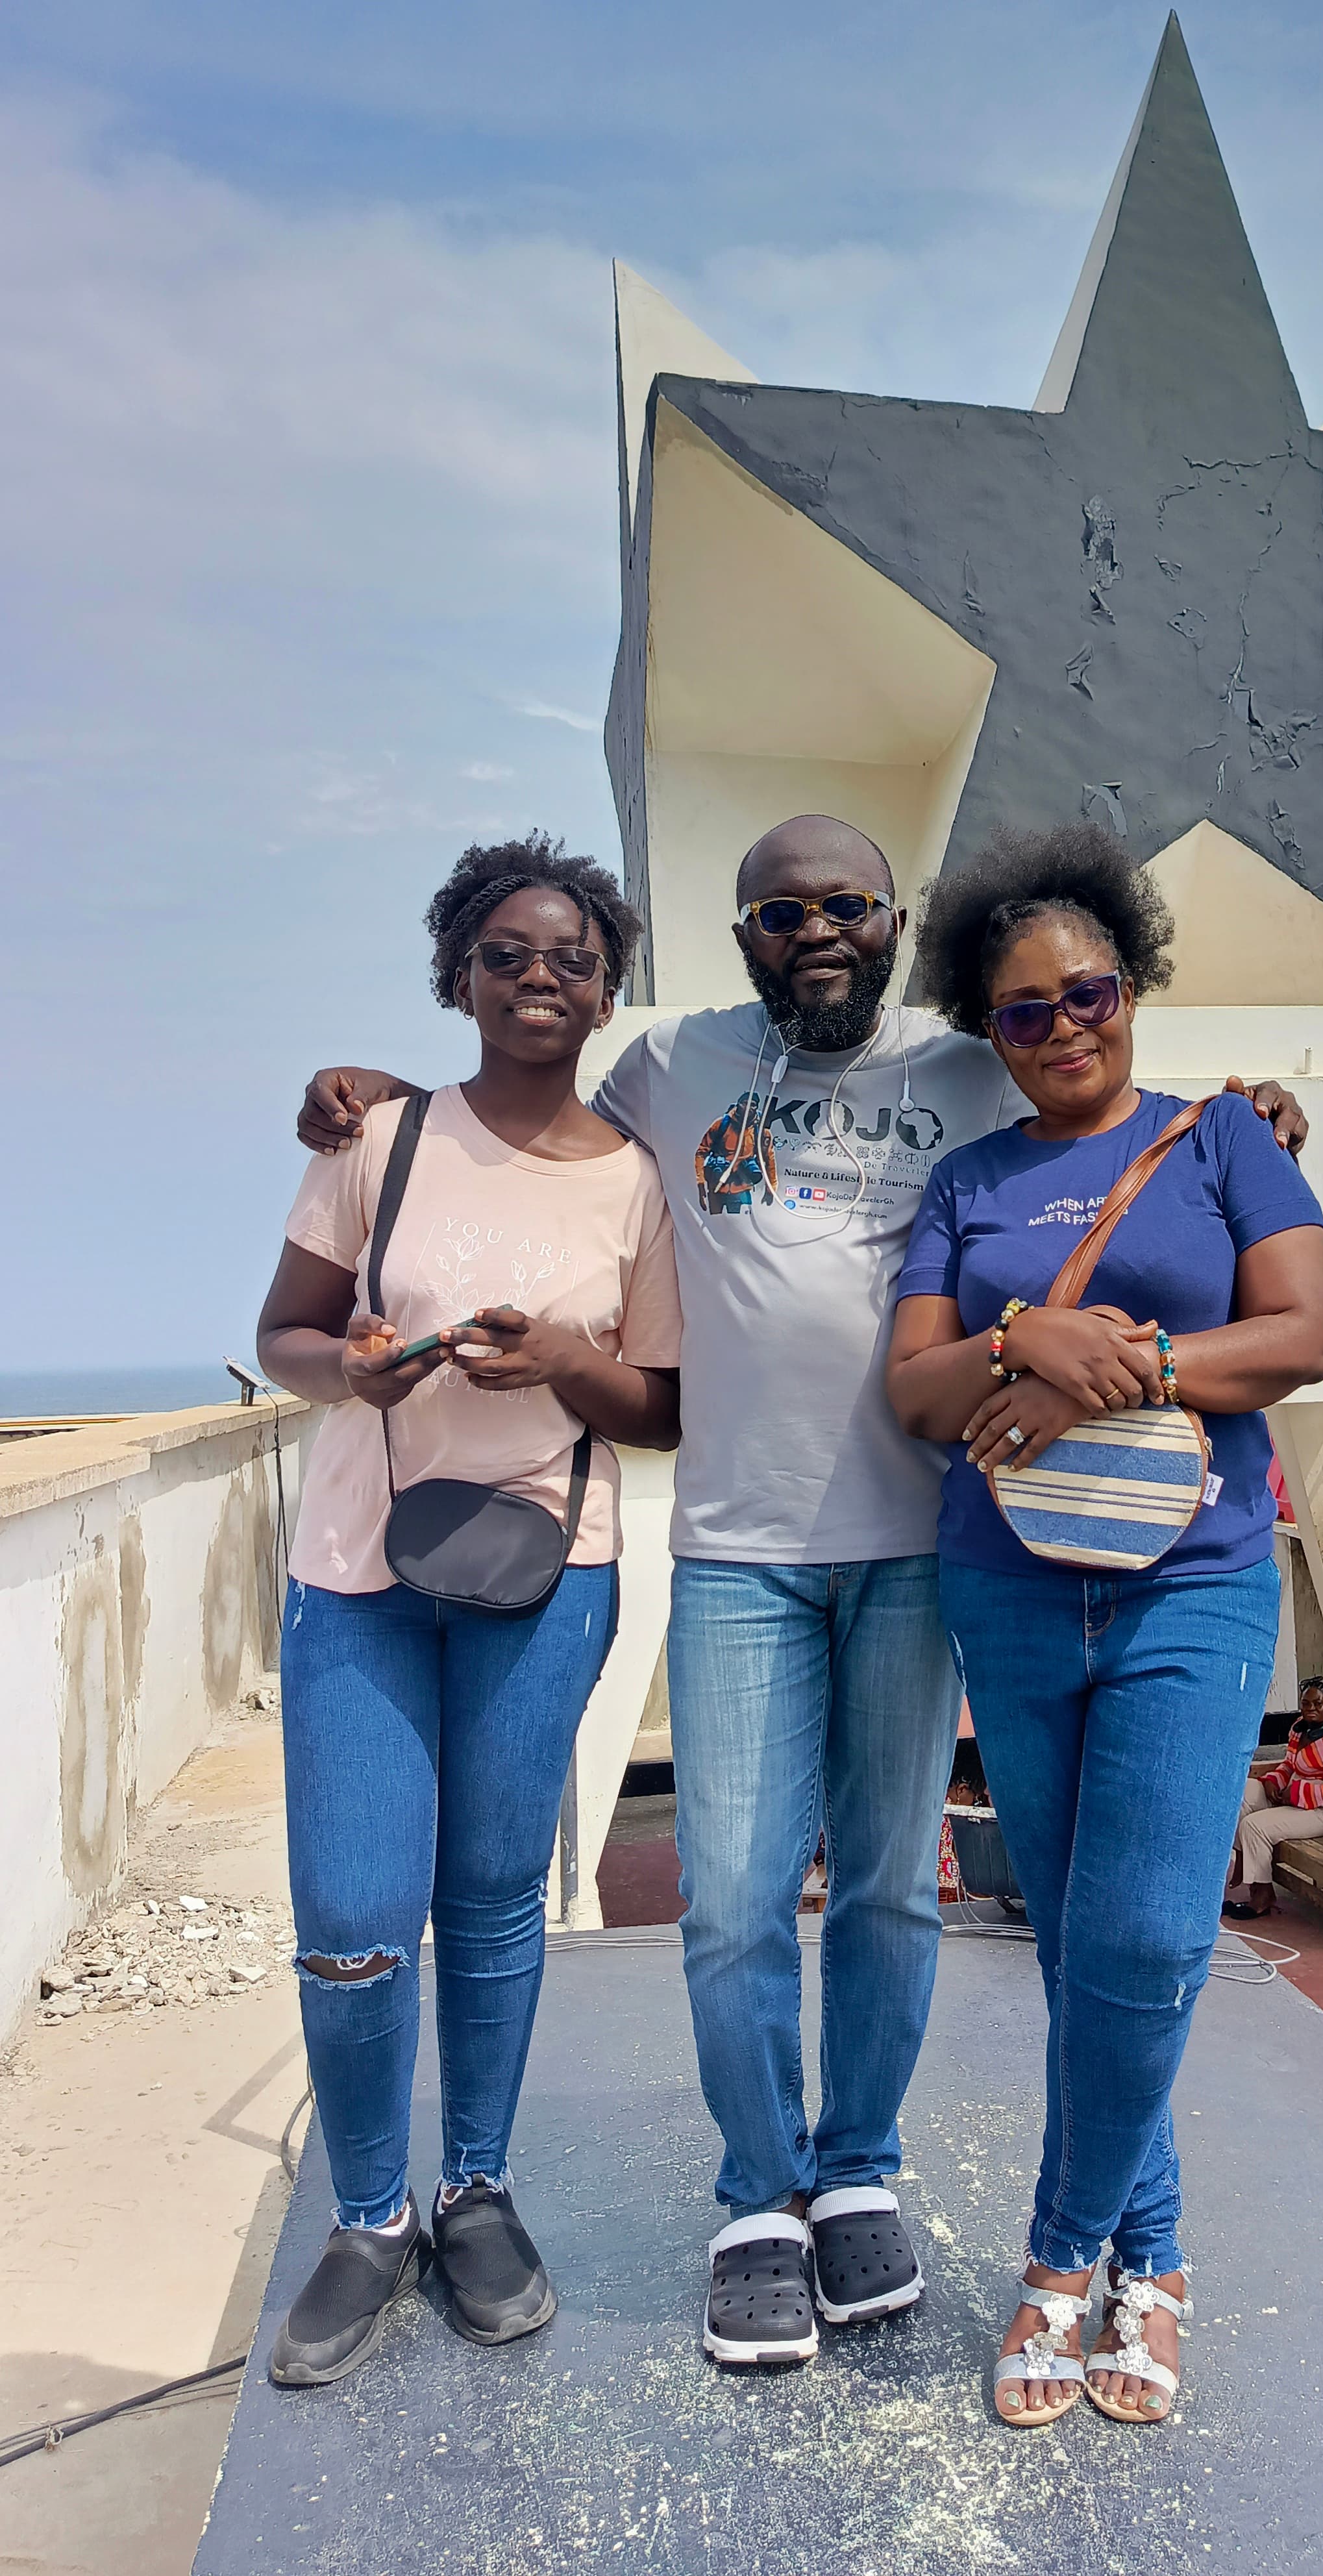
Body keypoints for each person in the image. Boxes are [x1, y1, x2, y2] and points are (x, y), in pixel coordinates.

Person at [293, 811, 1310, 2370]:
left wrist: (1252, 1112)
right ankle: (757, 2195)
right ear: (740, 936)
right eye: (779, 910)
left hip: (919, 1548)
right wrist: (372, 1092)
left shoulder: (970, 1063)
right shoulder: (669, 1066)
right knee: (737, 1898)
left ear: (898, 921)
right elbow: (524, 1102)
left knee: (897, 1890)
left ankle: (858, 2170)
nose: (815, 931)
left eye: (847, 904)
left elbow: (1100, 1107)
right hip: (740, 1550)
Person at [885, 823, 1323, 2428]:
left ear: (1131, 984)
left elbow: (1298, 1333)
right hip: (1010, 1587)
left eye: (1087, 990)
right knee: (1082, 1948)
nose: (1063, 1023)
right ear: (986, 1029)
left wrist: (1126, 1362)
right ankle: (1157, 2253)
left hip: (1192, 1581)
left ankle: (1063, 2253)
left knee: (1146, 1937)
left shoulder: (1225, 1138)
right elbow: (916, 1388)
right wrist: (1024, 1328)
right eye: (1021, 1010)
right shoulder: (968, 1181)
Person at [256, 836, 680, 2387]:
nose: (540, 976)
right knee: (358, 1917)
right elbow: (285, 1331)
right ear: (460, 975)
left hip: (547, 1571)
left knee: (498, 1892)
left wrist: (561, 1361)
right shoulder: (379, 1136)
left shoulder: (635, 1180)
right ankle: (369, 2216)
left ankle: (474, 2188)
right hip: (360, 1567)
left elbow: (667, 1403)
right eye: (506, 952)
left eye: (571, 954)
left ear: (609, 982)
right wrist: (352, 1368)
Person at [1223, 1677, 1323, 1920]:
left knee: (1253, 1826)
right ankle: (1242, 1853)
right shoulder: (1299, 1728)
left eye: (1318, 1704)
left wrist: (1296, 1793)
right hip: (1291, 1798)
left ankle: (1262, 1895)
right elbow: (1289, 1765)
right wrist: (1274, 1782)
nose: (1312, 1709)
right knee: (1238, 1795)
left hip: (1322, 1811)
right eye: (1307, 1704)